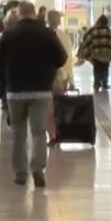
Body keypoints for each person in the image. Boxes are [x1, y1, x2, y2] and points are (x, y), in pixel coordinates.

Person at [0, 1, 66, 187]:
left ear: (19, 14)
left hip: (15, 91)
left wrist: (4, 75)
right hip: (41, 90)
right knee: (39, 132)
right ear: (33, 13)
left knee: (18, 133)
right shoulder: (48, 34)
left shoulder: (8, 34)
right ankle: (38, 169)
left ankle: (20, 173)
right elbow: (62, 57)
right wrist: (47, 70)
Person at [46, 10, 75, 145]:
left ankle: (52, 135)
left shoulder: (43, 35)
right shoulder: (65, 37)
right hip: (61, 77)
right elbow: (68, 60)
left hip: (46, 77)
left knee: (48, 108)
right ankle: (58, 132)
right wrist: (71, 79)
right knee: (59, 106)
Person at [76, 14, 111, 92]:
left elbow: (85, 41)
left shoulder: (92, 31)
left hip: (96, 55)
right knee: (105, 68)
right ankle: (105, 83)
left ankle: (97, 84)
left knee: (97, 68)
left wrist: (83, 54)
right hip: (107, 55)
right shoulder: (110, 32)